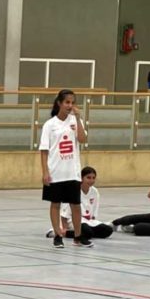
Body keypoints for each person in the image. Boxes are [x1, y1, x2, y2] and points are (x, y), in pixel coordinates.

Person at [40, 88, 90, 249]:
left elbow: (82, 139)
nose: (70, 106)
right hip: (56, 171)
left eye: (72, 103)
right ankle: (57, 235)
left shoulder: (75, 121)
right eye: (67, 102)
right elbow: (44, 150)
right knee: (55, 204)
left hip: (72, 172)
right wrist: (45, 172)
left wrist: (78, 119)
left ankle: (78, 236)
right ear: (59, 103)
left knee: (75, 205)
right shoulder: (50, 125)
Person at [51, 166, 112, 239]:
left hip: (88, 221)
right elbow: (64, 214)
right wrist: (65, 228)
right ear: (81, 178)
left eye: (93, 178)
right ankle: (63, 233)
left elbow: (93, 214)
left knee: (108, 230)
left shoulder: (95, 192)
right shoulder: (73, 191)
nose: (91, 180)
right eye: (88, 178)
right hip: (74, 220)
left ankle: (85, 233)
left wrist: (93, 222)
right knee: (87, 232)